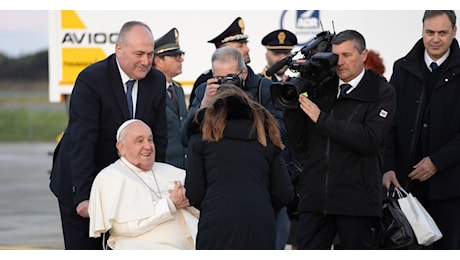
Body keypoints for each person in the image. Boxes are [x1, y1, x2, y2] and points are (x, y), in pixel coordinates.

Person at [49, 21, 168, 250]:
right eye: (139, 54)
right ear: (119, 49)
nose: (145, 61)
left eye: (150, 54)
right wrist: (83, 197)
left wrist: (156, 189)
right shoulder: (92, 80)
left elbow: (158, 139)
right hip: (82, 179)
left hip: (126, 188)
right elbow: (83, 141)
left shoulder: (156, 81)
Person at [283, 29, 397, 249]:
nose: (340, 62)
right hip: (315, 201)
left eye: (347, 55)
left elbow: (369, 140)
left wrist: (322, 118)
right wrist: (292, 107)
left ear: (363, 55)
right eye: (336, 56)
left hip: (356, 204)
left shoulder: (382, 92)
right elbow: (301, 145)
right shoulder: (321, 89)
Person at [383, 10, 460, 250]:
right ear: (422, 31)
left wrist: (437, 161)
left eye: (442, 33)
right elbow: (389, 126)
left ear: (454, 32)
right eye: (430, 32)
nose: (435, 39)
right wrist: (388, 168)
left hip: (450, 189)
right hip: (406, 188)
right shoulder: (401, 68)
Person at [185, 85, 295, 249]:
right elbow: (284, 193)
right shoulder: (265, 139)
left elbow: (194, 192)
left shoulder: (201, 139)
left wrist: (214, 205)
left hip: (216, 220)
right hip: (260, 221)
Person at [88, 119, 197, 249]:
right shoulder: (110, 177)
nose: (148, 146)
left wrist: (189, 197)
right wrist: (170, 205)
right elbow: (125, 227)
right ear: (121, 147)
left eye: (150, 140)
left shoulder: (169, 170)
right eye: (139, 141)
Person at [181, 46, 283, 148]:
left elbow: (280, 132)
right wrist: (204, 106)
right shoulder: (205, 91)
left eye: (230, 78)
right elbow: (186, 138)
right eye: (219, 78)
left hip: (254, 156)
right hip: (217, 157)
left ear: (244, 73)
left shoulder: (264, 89)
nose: (225, 83)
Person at [259, 28, 299, 250]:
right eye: (276, 53)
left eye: (285, 53)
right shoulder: (259, 84)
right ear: (266, 54)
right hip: (272, 164)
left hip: (295, 164)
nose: (280, 59)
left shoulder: (299, 83)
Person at [189, 17, 254, 107]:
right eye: (240, 46)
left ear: (244, 73)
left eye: (246, 44)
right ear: (222, 50)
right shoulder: (206, 83)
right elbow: (191, 119)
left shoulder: (260, 84)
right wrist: (205, 105)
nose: (247, 49)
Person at [153, 27, 188, 169]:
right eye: (175, 56)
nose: (181, 60)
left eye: (181, 55)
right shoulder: (150, 91)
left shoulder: (178, 89)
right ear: (158, 60)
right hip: (162, 167)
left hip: (181, 167)